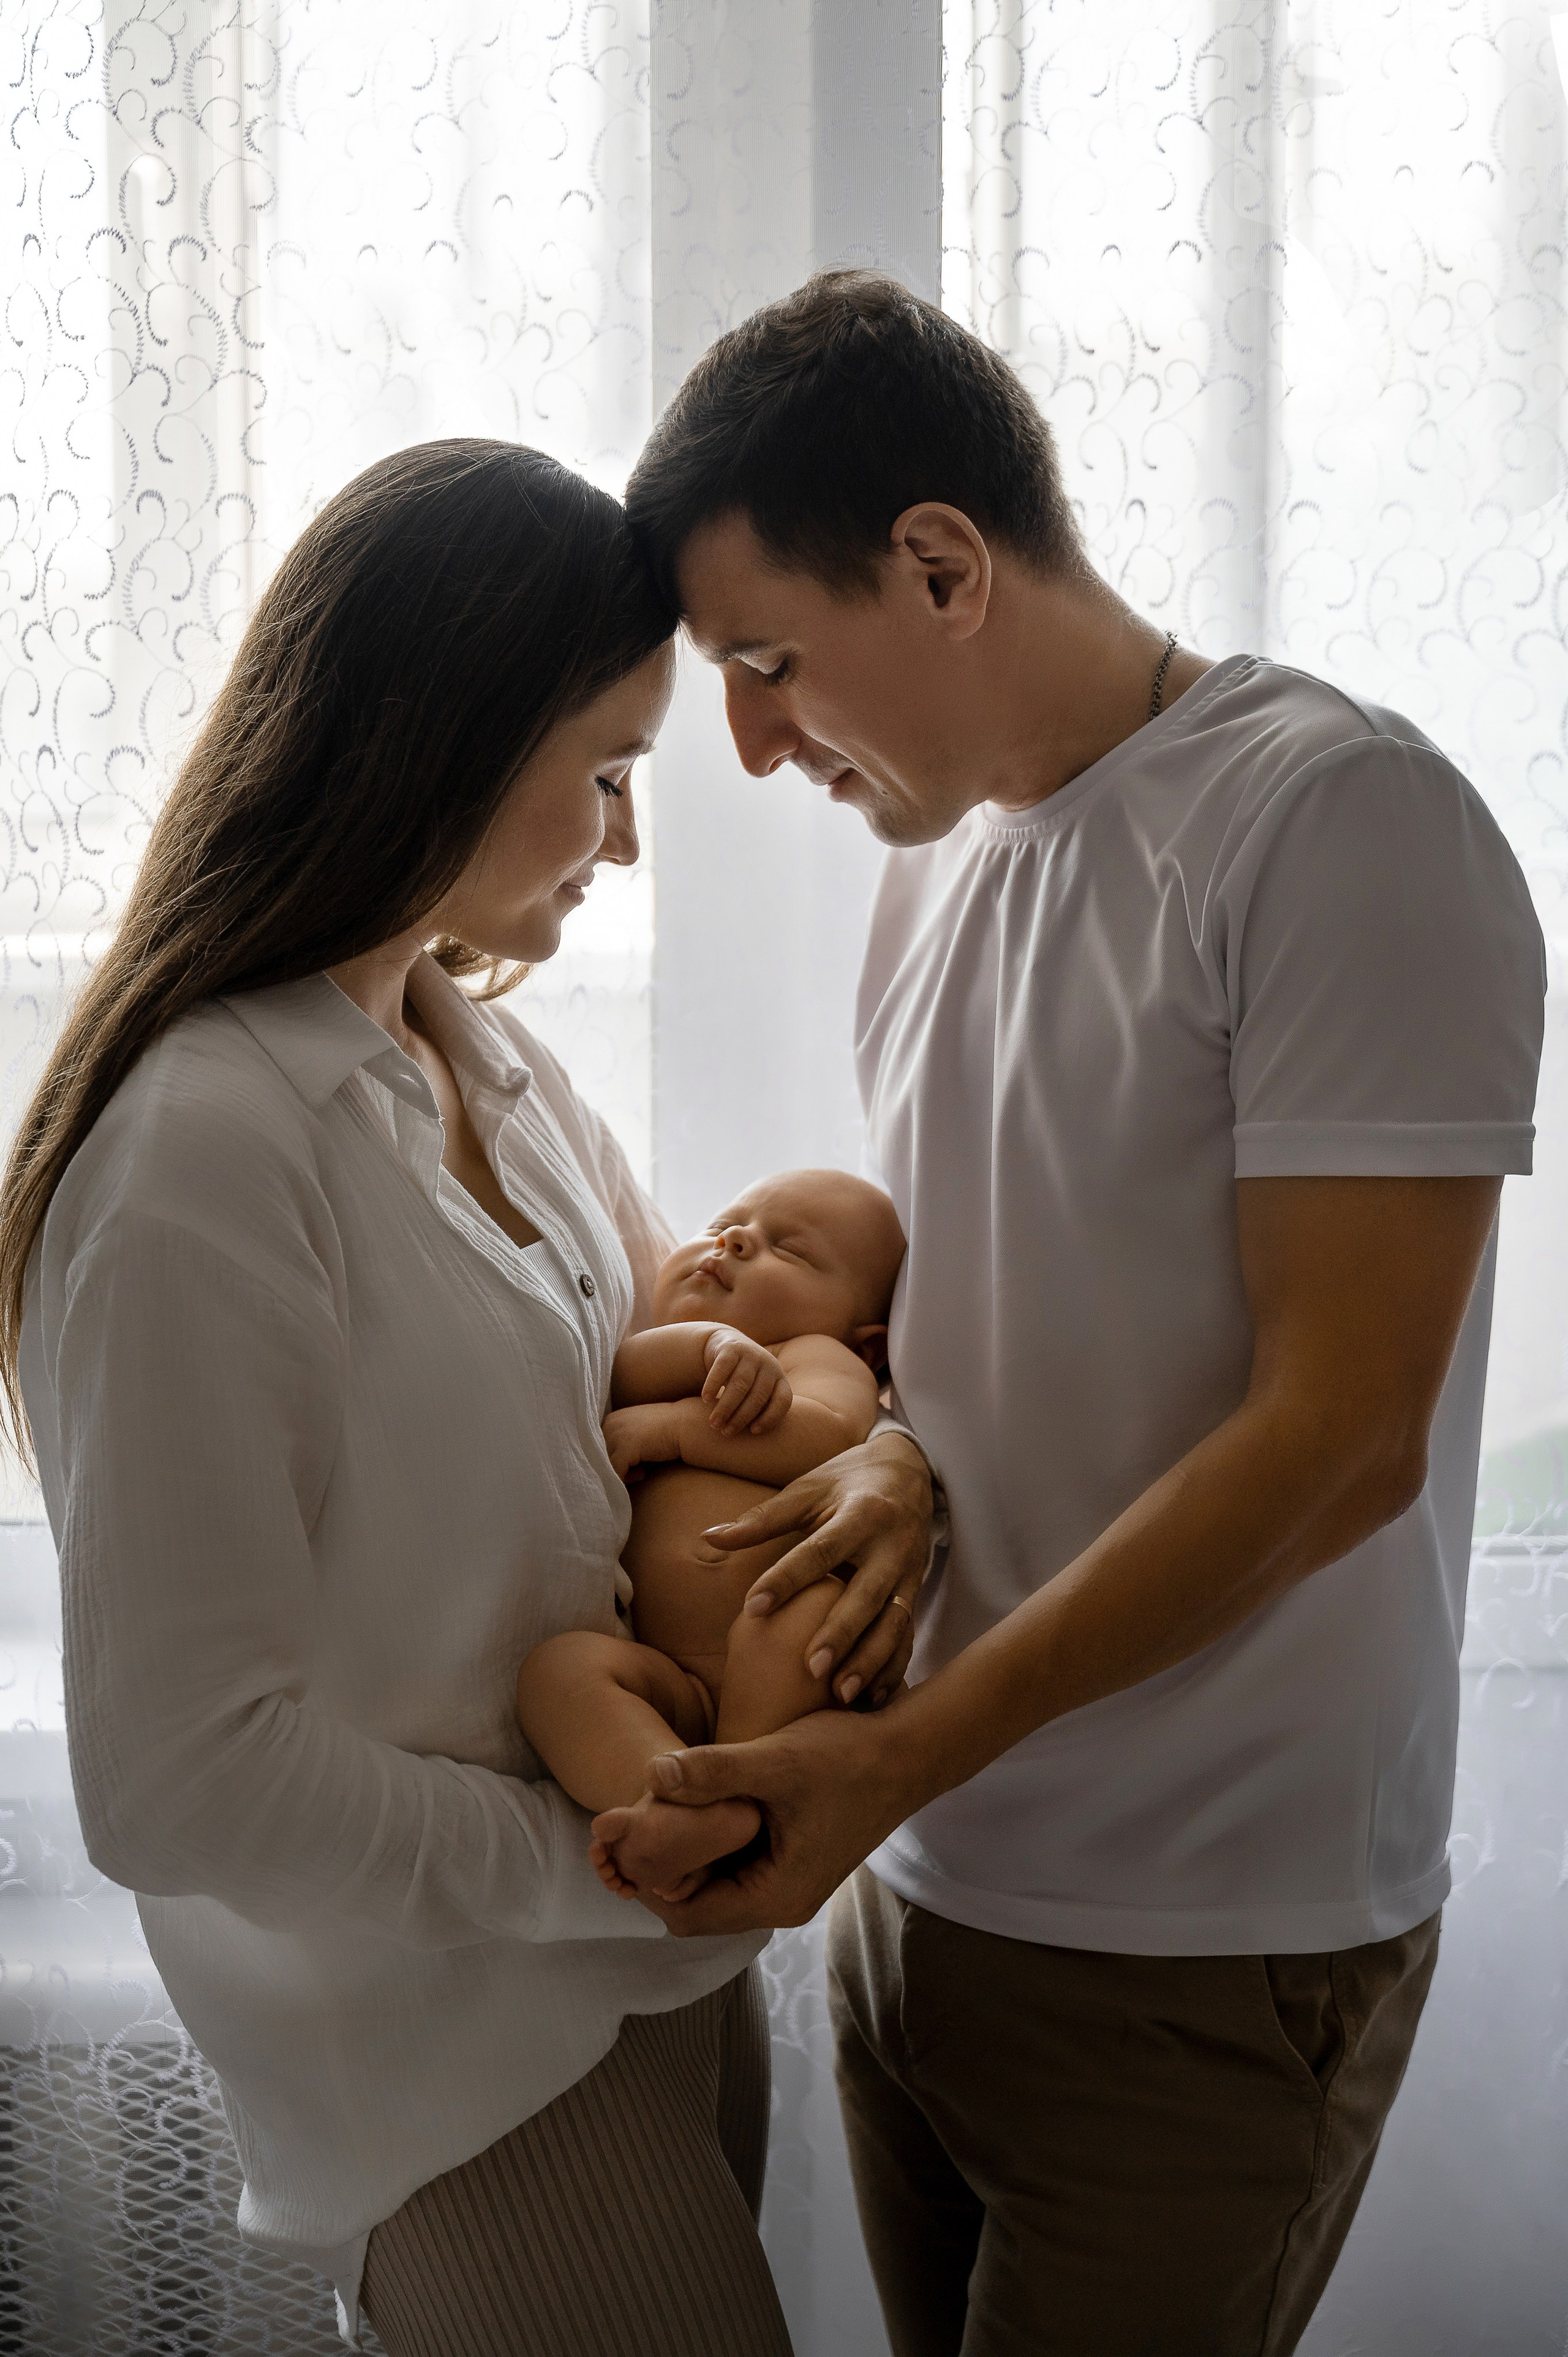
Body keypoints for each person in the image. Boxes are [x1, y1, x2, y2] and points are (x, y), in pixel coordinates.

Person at [611, 273, 1548, 2355]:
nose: (751, 743)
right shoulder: (932, 870)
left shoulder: (1339, 822)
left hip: (1203, 1940)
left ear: (940, 562)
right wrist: (884, 1446)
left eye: (769, 662)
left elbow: (1343, 1435)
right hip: (926, 1881)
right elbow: (1012, 1316)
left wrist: (900, 1751)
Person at [0, 439, 932, 2357]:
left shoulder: (477, 1062)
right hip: (463, 2051)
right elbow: (177, 1773)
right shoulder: (201, 1153)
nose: (624, 841)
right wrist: (604, 1868)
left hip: (657, 1974)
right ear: (441, 737)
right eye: (603, 771)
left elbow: (713, 1387)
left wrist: (891, 1457)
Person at [517, 1167, 905, 1899]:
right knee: (558, 1673)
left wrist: (673, 1429)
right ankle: (673, 1799)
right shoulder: (662, 1352)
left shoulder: (817, 1356)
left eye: (786, 1249)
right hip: (676, 1683)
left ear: (871, 1347)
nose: (733, 1238)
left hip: (770, 1658)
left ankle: (746, 1786)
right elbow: (629, 1371)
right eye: (725, 1222)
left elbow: (828, 1438)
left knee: (805, 1614)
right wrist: (709, 1344)